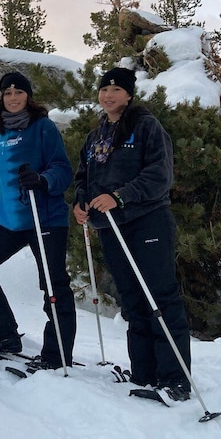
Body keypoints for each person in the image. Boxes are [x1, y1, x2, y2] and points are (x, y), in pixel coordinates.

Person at [72, 66, 191, 401]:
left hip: (147, 220)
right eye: (104, 89)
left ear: (128, 94)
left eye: (116, 89)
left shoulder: (145, 126)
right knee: (133, 300)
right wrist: (81, 203)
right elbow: (84, 176)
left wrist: (120, 196)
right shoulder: (96, 136)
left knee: (161, 298)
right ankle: (144, 373)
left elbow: (160, 174)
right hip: (111, 227)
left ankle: (175, 379)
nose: (108, 95)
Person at [0, 71, 76, 371]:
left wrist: (42, 179)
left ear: (28, 96)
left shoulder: (43, 128)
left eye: (18, 93)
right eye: (8, 93)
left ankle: (57, 355)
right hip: (10, 222)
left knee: (53, 285)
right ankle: (3, 335)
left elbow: (63, 170)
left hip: (45, 219)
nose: (13, 98)